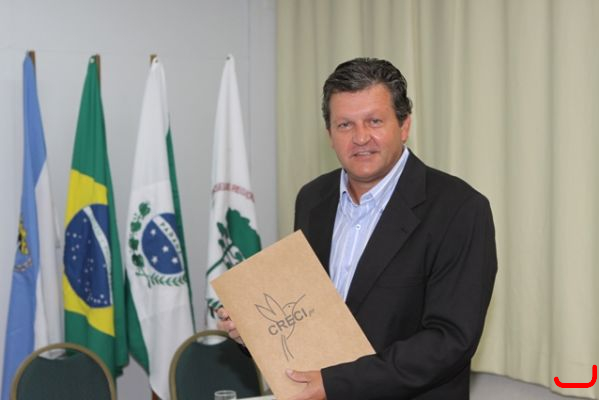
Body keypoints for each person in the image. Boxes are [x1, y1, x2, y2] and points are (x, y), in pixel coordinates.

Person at [217, 57, 497, 400]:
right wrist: (254, 332)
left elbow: (449, 340)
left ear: (404, 125)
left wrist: (336, 384)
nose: (361, 137)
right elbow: (307, 314)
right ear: (329, 135)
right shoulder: (312, 199)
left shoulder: (459, 209)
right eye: (345, 125)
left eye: (374, 121)